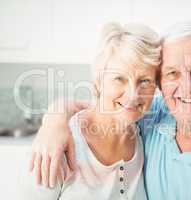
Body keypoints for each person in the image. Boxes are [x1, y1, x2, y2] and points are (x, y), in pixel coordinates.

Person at [28, 21, 191, 199]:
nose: (187, 87)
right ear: (162, 83)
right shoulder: (153, 118)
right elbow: (106, 109)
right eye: (173, 73)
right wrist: (55, 120)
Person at [19, 22, 161, 200]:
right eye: (119, 78)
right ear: (98, 82)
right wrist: (54, 123)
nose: (133, 95)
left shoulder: (146, 136)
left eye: (145, 81)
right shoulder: (59, 145)